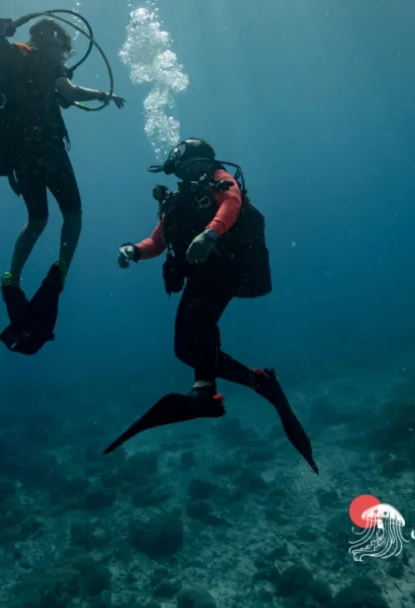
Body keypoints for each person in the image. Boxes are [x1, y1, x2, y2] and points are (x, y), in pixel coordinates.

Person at [106, 138, 318, 473]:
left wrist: (210, 234)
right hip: (203, 271)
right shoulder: (177, 201)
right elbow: (157, 241)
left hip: (228, 264)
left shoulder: (219, 179)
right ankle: (257, 382)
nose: (187, 167)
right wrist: (133, 250)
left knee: (200, 321)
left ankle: (205, 391)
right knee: (184, 347)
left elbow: (232, 202)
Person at [0, 14, 125, 354]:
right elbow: (69, 93)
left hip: (20, 155)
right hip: (49, 151)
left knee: (37, 220)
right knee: (73, 214)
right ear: (57, 45)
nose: (63, 53)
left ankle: (12, 277)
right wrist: (104, 95)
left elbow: (52, 99)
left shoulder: (17, 62)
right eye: (63, 48)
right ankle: (61, 269)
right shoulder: (49, 64)